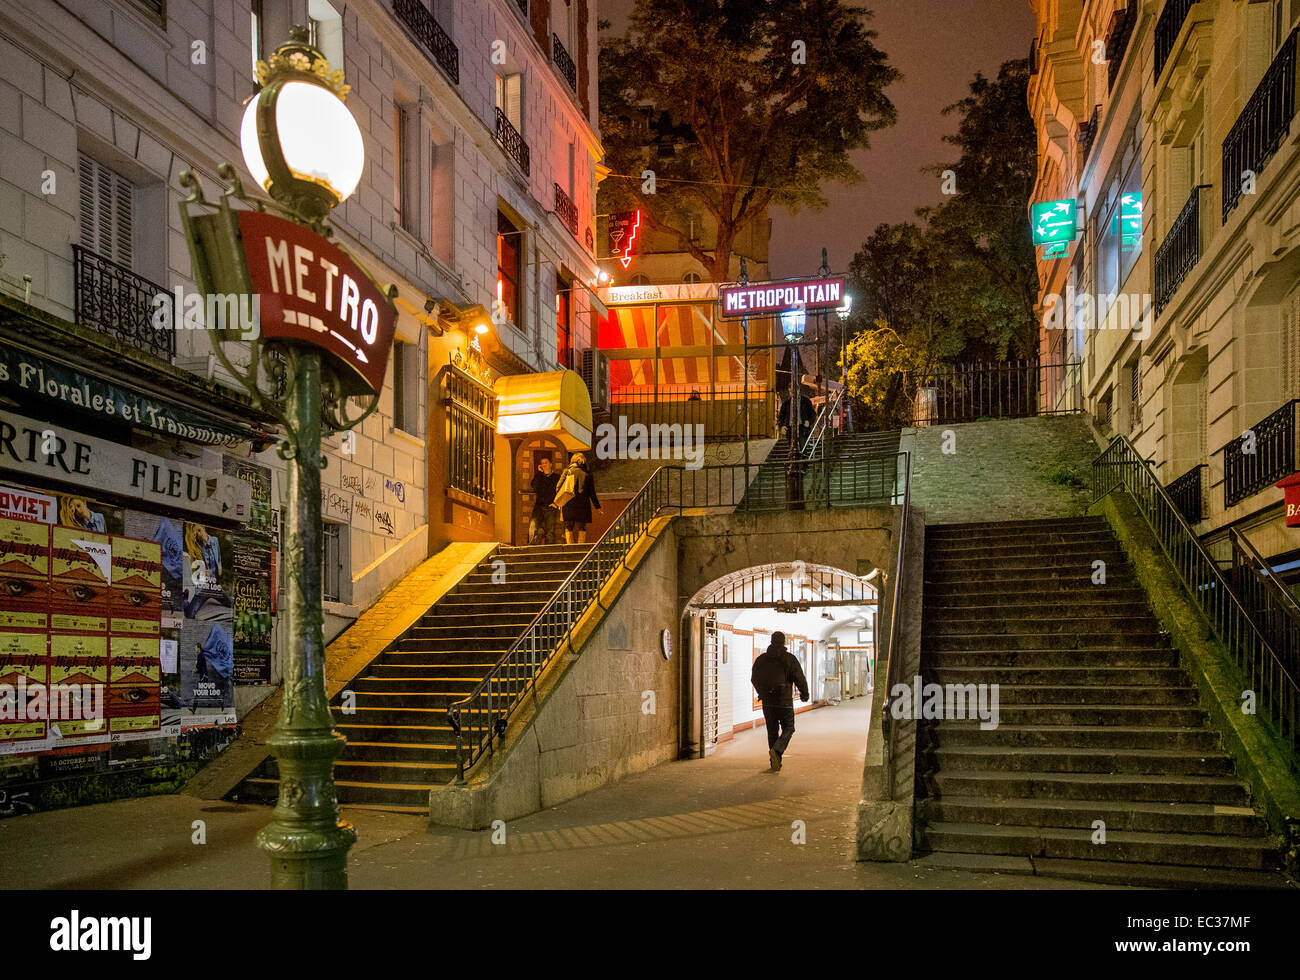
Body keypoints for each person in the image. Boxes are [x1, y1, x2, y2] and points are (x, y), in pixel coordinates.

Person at [751, 630, 810, 772]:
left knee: (772, 731)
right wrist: (804, 693)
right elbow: (799, 677)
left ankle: (774, 762)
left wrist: (762, 693)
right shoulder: (789, 658)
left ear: (771, 641)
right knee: (789, 728)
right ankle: (777, 750)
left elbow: (754, 679)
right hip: (784, 701)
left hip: (767, 702)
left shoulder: (761, 659)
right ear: (784, 642)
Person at [558, 452, 600, 544]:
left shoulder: (567, 472)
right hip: (582, 504)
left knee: (568, 527)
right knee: (582, 526)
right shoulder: (587, 474)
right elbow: (592, 493)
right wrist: (597, 507)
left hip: (568, 503)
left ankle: (570, 548)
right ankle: (580, 546)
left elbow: (558, 487)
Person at [528, 456, 560, 544]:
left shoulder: (557, 477)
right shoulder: (539, 476)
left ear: (551, 464)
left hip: (551, 506)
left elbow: (562, 491)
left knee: (550, 531)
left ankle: (549, 551)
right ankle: (532, 550)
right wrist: (539, 472)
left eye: (546, 462)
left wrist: (556, 504)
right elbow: (534, 486)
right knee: (533, 527)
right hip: (539, 506)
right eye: (542, 463)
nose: (544, 465)